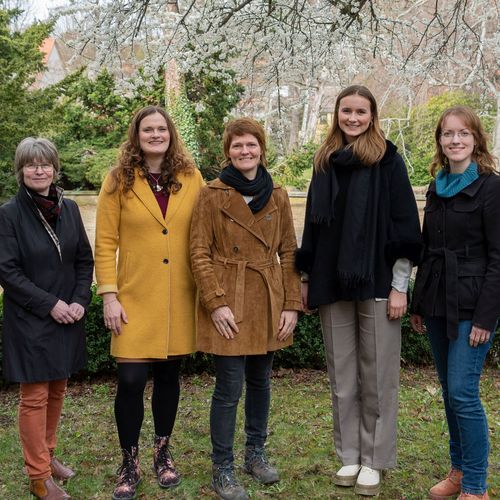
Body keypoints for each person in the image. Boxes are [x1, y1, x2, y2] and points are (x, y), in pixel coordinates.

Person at [295, 85, 422, 496]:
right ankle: (349, 455)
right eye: (346, 110)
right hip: (332, 281)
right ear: (337, 114)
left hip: (379, 282)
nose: (353, 118)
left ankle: (375, 459)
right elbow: (313, 228)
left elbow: (405, 227)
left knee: (378, 376)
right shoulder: (324, 162)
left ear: (372, 115)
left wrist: (400, 287)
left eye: (361, 111)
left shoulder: (388, 159)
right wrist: (307, 279)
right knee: (343, 376)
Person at [95, 105, 203, 500]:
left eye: (161, 129)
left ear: (171, 134)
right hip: (134, 298)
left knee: (169, 379)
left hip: (178, 296)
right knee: (131, 380)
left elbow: (204, 232)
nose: (155, 135)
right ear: (136, 136)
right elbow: (105, 242)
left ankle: (163, 453)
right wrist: (109, 294)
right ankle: (129, 460)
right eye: (147, 130)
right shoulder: (118, 180)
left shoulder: (191, 178)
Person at [190, 117, 302, 500]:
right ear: (228, 151)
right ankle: (222, 467)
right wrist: (215, 303)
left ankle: (256, 453)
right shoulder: (211, 194)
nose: (244, 151)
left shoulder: (279, 195)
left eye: (251, 144)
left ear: (261, 149)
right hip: (229, 295)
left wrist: (291, 305)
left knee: (261, 381)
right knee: (228, 387)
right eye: (237, 145)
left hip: (268, 297)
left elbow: (289, 252)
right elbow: (199, 253)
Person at [410, 106, 499, 500]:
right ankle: (459, 471)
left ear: (476, 139)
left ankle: (477, 487)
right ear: (440, 141)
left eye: (463, 133)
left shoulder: (491, 187)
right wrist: (418, 303)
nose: (455, 140)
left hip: (473, 306)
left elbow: (499, 257)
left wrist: (485, 316)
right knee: (449, 392)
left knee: (463, 392)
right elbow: (430, 249)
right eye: (448, 134)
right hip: (438, 303)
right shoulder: (437, 185)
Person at [0, 138, 93, 500]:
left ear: (55, 168)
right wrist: (51, 304)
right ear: (21, 170)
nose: (39, 170)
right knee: (35, 396)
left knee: (58, 388)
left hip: (68, 315)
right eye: (31, 164)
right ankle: (38, 475)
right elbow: (7, 271)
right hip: (31, 319)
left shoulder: (68, 209)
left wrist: (80, 300)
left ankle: (48, 455)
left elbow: (84, 260)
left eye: (45, 164)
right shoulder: (9, 214)